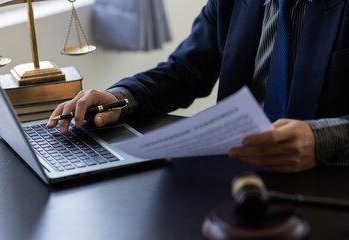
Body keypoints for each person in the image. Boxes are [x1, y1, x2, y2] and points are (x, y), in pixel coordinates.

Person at [47, 0, 349, 173]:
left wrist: (321, 140)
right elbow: (186, 70)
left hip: (324, 179)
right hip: (235, 171)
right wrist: (119, 98)